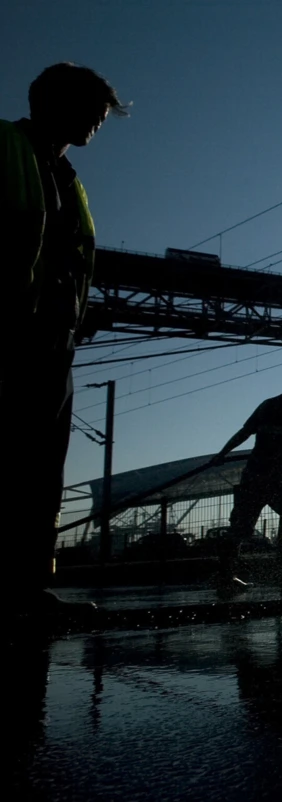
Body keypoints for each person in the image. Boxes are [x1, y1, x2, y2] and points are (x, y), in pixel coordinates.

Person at [1, 63, 126, 618]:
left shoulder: (66, 175)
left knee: (40, 468)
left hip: (53, 341)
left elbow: (61, 257)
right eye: (94, 111)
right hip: (12, 333)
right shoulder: (6, 147)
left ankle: (24, 588)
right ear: (55, 103)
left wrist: (77, 312)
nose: (100, 122)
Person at [213, 368, 282, 595]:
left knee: (240, 529)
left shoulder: (268, 404)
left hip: (253, 475)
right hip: (273, 481)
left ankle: (226, 577)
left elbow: (244, 433)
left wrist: (222, 454)